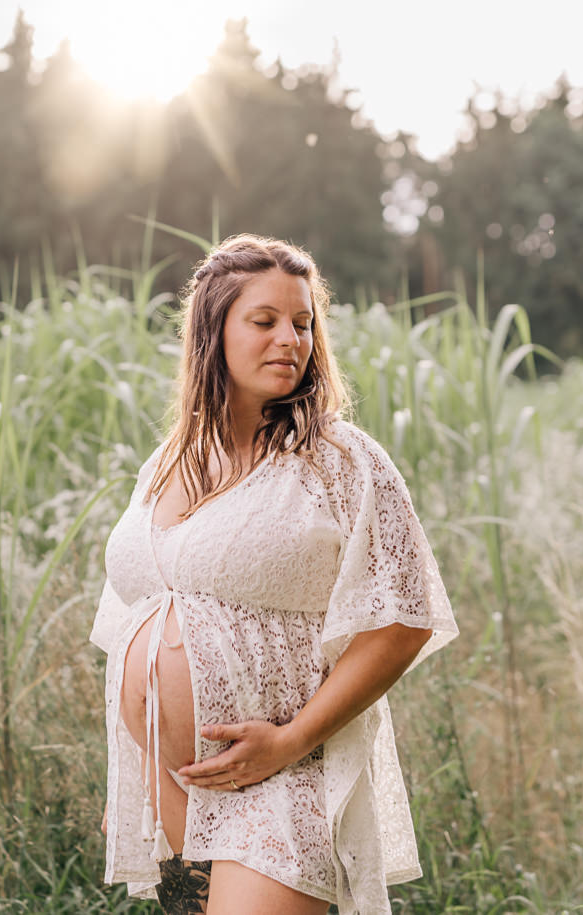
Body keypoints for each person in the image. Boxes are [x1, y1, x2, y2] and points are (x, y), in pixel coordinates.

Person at [91, 234, 458, 914]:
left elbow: (403, 620)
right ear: (213, 332)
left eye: (303, 321)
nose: (291, 338)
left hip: (282, 772)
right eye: (265, 321)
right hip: (171, 783)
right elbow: (131, 623)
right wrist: (131, 776)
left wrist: (290, 739)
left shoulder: (341, 461)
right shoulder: (169, 462)